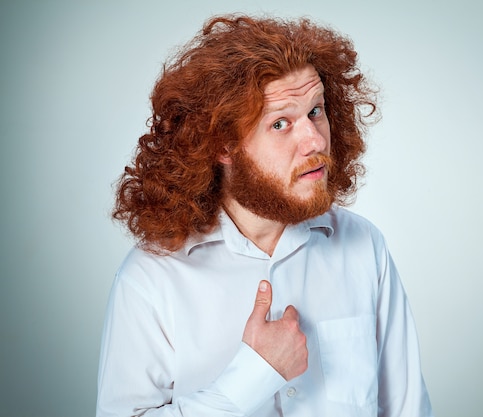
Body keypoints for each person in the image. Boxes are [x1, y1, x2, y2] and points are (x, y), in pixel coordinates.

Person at [97, 14, 433, 417]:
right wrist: (256, 374)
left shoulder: (364, 247)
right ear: (223, 146)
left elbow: (407, 410)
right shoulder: (151, 279)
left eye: (315, 111)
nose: (314, 140)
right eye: (280, 123)